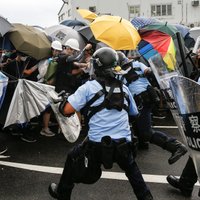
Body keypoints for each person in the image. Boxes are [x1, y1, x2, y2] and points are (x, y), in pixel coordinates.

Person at [48, 47, 154, 200]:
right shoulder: (124, 88)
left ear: (97, 66)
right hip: (124, 143)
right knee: (132, 171)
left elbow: (66, 111)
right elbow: (134, 114)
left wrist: (65, 100)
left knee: (73, 156)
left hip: (96, 144)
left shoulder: (88, 88)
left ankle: (62, 193)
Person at [117, 51, 187, 165]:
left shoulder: (121, 72)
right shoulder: (137, 64)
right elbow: (148, 71)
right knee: (136, 120)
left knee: (146, 132)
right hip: (147, 98)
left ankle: (175, 146)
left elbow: (149, 71)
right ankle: (142, 143)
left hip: (142, 101)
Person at [39, 40, 63, 137]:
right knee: (47, 107)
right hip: (44, 86)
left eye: (59, 51)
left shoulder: (56, 61)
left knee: (49, 107)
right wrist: (49, 65)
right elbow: (42, 74)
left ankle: (46, 124)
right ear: (52, 50)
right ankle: (45, 128)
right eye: (55, 50)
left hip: (51, 87)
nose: (57, 53)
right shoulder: (45, 60)